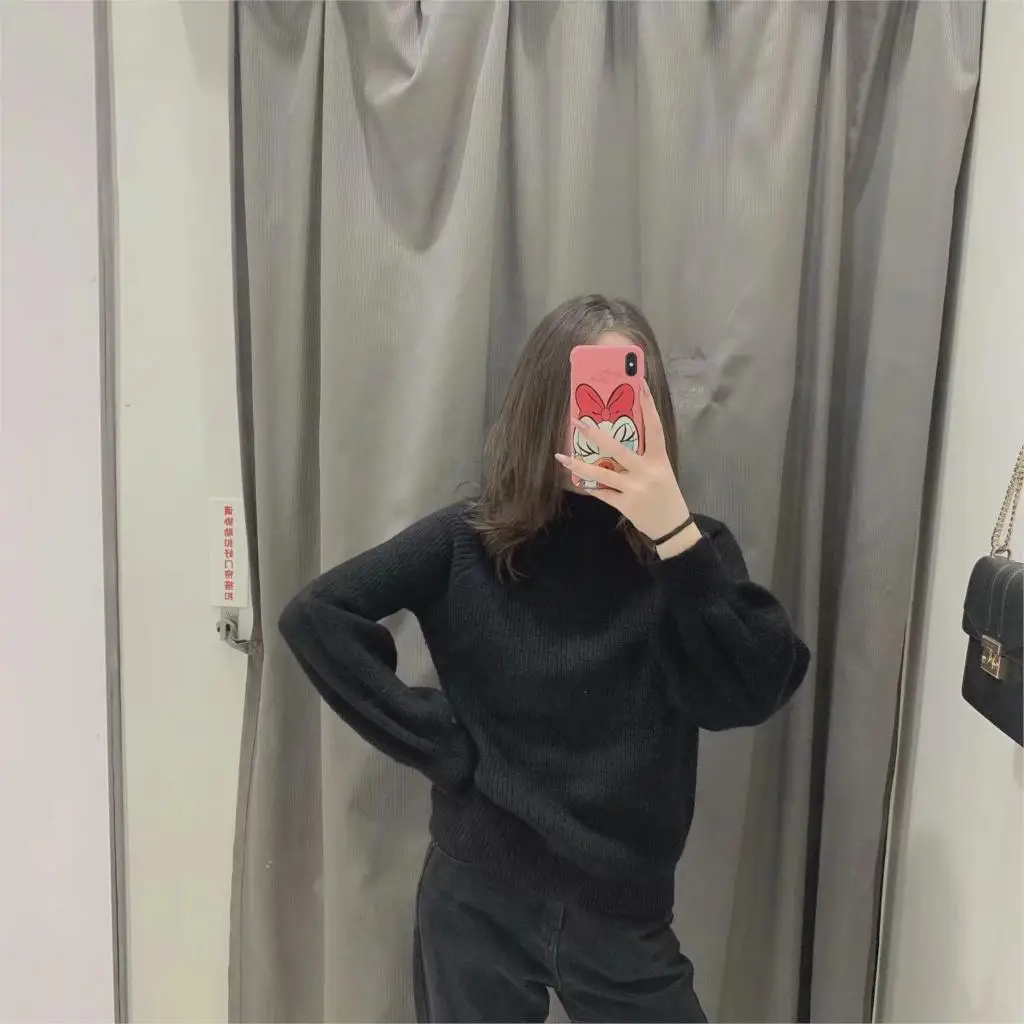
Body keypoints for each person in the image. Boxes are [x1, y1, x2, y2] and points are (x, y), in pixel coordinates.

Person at [279, 295, 810, 1024]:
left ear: (652, 411)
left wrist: (674, 536)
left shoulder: (691, 551)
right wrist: (435, 741)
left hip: (618, 915)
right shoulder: (468, 540)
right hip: (476, 894)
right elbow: (317, 616)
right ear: (541, 406)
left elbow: (749, 692)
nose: (600, 421)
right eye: (582, 396)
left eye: (623, 396)